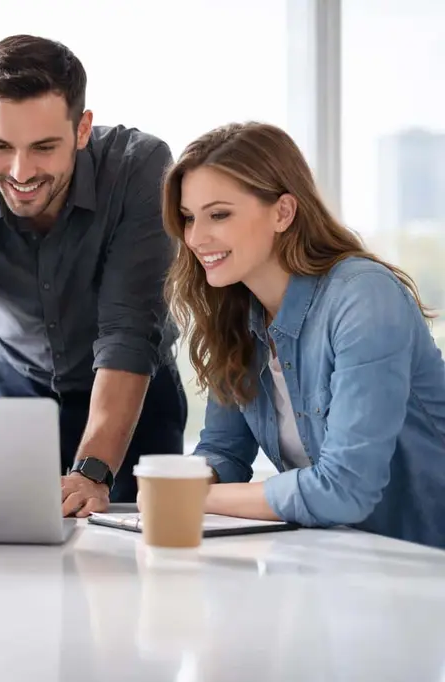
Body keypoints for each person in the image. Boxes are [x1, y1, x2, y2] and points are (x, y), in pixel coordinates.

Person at [0, 34, 187, 516]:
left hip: (135, 398)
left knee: (133, 571)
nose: (20, 171)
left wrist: (94, 470)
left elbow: (128, 330)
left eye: (43, 147)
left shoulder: (139, 168)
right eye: (0, 145)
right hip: (17, 397)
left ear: (82, 129)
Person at [164, 121, 445, 549]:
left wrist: (194, 498)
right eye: (188, 218)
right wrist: (174, 484)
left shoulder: (362, 297)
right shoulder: (237, 314)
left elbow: (345, 489)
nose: (196, 238)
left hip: (427, 562)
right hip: (351, 562)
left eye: (219, 214)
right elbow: (224, 450)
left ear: (283, 212)